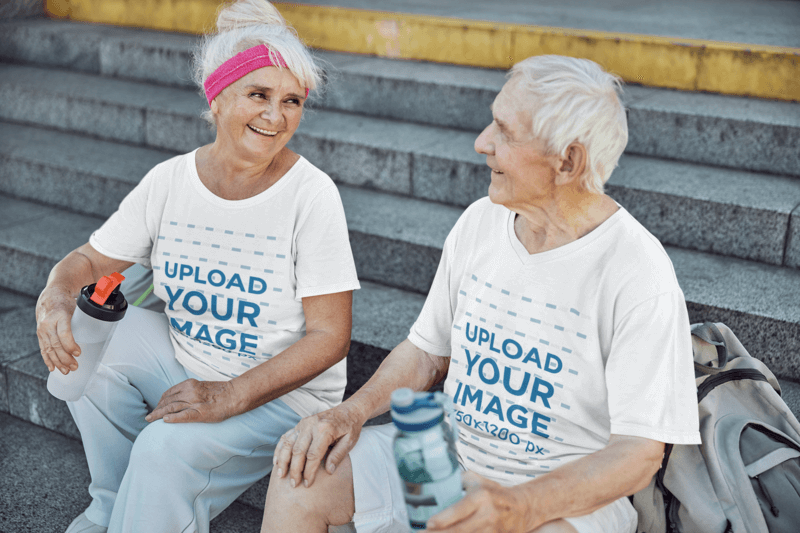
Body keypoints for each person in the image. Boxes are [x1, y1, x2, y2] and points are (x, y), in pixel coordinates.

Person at [263, 55, 701, 533]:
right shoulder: (480, 221)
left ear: (568, 161)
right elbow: (427, 353)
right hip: (446, 460)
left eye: (504, 132)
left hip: (560, 502)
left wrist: (519, 507)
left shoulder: (638, 271)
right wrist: (351, 412)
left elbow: (638, 454)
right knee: (298, 478)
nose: (481, 143)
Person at [33, 1, 360, 532]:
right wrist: (55, 295)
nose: (276, 117)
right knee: (86, 333)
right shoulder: (170, 181)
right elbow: (90, 260)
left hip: (280, 396)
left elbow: (330, 337)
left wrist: (230, 395)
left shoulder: (311, 194)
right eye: (259, 95)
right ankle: (114, 503)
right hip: (188, 360)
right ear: (218, 95)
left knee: (164, 447)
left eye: (292, 101)